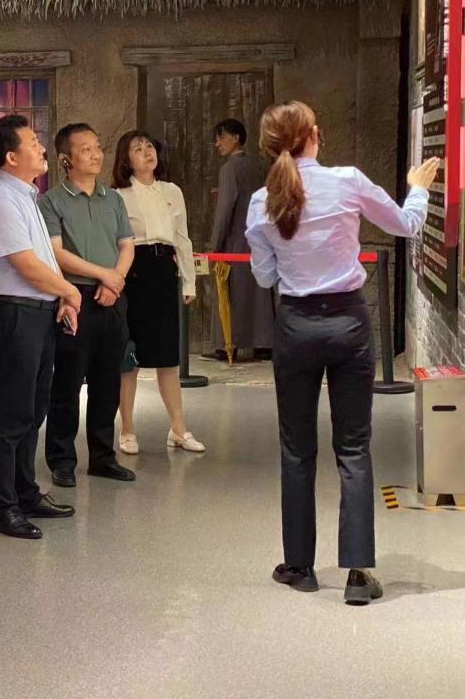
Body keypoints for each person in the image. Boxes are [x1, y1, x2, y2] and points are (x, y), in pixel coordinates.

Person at [246, 100, 438, 605]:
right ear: (314, 134)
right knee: (353, 447)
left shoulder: (262, 201)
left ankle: (299, 566)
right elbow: (405, 225)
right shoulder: (347, 180)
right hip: (349, 322)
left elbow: (265, 276)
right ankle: (357, 574)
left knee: (296, 449)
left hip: (295, 325)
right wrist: (417, 188)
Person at [0, 114, 80, 540]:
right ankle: (3, 506)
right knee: (12, 412)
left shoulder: (26, 195)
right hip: (13, 312)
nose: (42, 148)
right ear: (12, 157)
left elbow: (43, 260)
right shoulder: (1, 199)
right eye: (34, 142)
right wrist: (69, 291)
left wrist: (59, 297)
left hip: (36, 311)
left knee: (33, 409)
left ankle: (25, 492)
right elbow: (25, 265)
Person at [40, 124, 136, 487]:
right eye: (86, 149)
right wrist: (104, 276)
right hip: (75, 298)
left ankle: (102, 457)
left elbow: (127, 245)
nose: (96, 154)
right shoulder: (51, 201)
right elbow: (56, 253)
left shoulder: (113, 198)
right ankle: (62, 459)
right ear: (66, 159)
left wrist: (116, 280)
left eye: (97, 147)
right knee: (67, 382)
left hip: (113, 298)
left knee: (107, 382)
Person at [113, 130, 204, 455]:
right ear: (126, 160)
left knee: (168, 357)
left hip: (165, 271)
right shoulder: (118, 195)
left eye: (149, 146)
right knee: (130, 358)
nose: (147, 152)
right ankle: (127, 429)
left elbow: (183, 238)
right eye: (138, 149)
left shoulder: (171, 191)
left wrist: (189, 281)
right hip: (133, 273)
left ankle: (178, 428)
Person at [207, 118, 273, 360]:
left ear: (236, 138)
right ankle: (264, 343)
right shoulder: (260, 166)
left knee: (230, 293)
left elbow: (225, 208)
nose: (218, 143)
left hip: (235, 240)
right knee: (260, 293)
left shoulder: (229, 169)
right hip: (260, 239)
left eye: (221, 137)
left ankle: (228, 344)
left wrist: (215, 244)